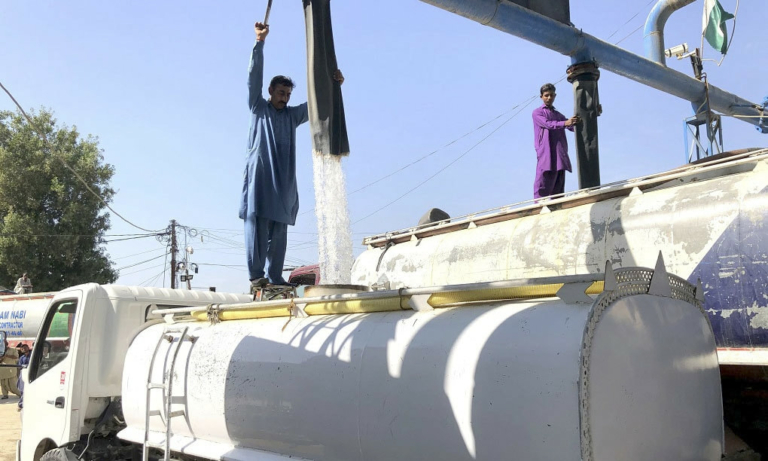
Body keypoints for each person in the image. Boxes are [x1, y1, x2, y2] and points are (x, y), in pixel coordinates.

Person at [239, 21, 344, 287]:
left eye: (288, 94)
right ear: (270, 91)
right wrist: (259, 42)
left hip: (283, 180)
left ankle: (275, 276)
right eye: (281, 92)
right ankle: (256, 275)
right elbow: (253, 76)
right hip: (261, 178)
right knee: (257, 224)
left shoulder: (292, 116)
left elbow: (318, 105)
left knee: (280, 229)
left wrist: (334, 85)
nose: (284, 97)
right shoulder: (258, 109)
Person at [531, 83, 580, 199]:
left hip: (559, 151)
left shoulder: (558, 115)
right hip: (546, 151)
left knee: (559, 177)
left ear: (555, 96)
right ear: (541, 97)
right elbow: (548, 124)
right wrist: (565, 123)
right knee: (544, 177)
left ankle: (557, 204)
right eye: (546, 95)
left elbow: (573, 127)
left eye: (551, 95)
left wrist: (590, 114)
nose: (549, 98)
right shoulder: (537, 113)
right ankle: (538, 205)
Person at [16, 343, 29, 411]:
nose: (23, 349)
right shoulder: (21, 358)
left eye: (24, 347)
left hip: (30, 374)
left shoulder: (32, 356)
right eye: (22, 348)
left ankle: (21, 404)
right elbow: (19, 366)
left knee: (25, 390)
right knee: (21, 390)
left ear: (28, 348)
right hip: (23, 374)